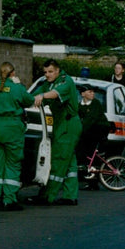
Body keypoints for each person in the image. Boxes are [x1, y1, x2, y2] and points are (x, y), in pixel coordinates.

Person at [28, 59, 82, 206]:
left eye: (50, 71)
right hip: (61, 124)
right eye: (45, 72)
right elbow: (32, 97)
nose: (47, 74)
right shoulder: (47, 83)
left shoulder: (65, 81)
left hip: (68, 124)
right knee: (69, 162)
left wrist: (42, 96)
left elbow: (53, 94)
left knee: (59, 159)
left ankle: (48, 195)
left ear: (58, 71)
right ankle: (70, 196)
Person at [0, 62, 34, 211]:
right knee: (13, 163)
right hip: (12, 129)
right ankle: (9, 200)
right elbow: (29, 101)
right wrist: (20, 85)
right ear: (13, 73)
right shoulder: (17, 88)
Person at [76, 84, 111, 188]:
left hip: (99, 131)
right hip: (89, 132)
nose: (93, 94)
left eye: (93, 92)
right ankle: (87, 175)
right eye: (90, 92)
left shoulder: (96, 104)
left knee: (92, 154)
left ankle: (93, 182)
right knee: (87, 154)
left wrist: (79, 132)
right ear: (83, 94)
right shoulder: (80, 105)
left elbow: (90, 120)